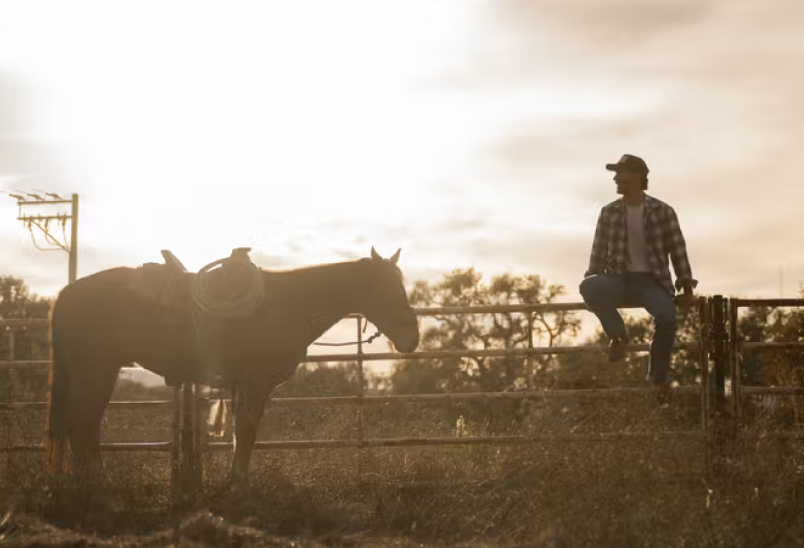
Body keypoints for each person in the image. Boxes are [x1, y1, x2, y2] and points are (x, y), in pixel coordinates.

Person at [579, 154, 698, 389]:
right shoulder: (608, 212)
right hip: (618, 279)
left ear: (638, 176)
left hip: (651, 282)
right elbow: (598, 249)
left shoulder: (662, 211)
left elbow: (677, 249)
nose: (615, 178)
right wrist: (593, 279)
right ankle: (618, 335)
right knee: (588, 287)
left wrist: (685, 287)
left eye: (620, 173)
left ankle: (658, 377)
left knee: (666, 318)